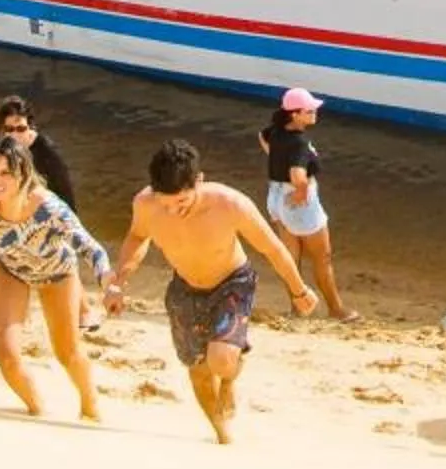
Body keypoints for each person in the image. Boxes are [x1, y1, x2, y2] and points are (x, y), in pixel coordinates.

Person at [107, 139, 319, 444]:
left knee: (221, 361)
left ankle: (230, 379)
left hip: (233, 282)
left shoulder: (230, 204)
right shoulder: (146, 204)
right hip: (184, 287)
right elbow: (137, 239)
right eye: (167, 204)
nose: (174, 210)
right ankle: (221, 435)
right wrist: (118, 282)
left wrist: (299, 290)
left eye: (182, 201)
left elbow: (272, 248)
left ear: (199, 181)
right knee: (198, 371)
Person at [0, 134, 110, 420]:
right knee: (8, 359)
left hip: (56, 273)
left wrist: (107, 282)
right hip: (8, 268)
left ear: (23, 173)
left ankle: (90, 403)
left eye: (5, 173)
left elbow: (91, 247)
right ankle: (37, 411)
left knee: (68, 354)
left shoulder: (49, 208)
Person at [257, 87, 356, 321]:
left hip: (276, 196)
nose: (314, 113)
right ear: (295, 114)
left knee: (291, 257)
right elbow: (298, 175)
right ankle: (336, 309)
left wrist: (274, 156)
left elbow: (261, 136)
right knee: (322, 258)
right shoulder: (299, 144)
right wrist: (301, 192)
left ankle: (298, 307)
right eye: (309, 110)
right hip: (298, 201)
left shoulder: (275, 132)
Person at [0, 95, 79, 215]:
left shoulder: (47, 154)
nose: (14, 135)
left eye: (21, 129)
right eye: (9, 129)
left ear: (29, 127)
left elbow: (66, 198)